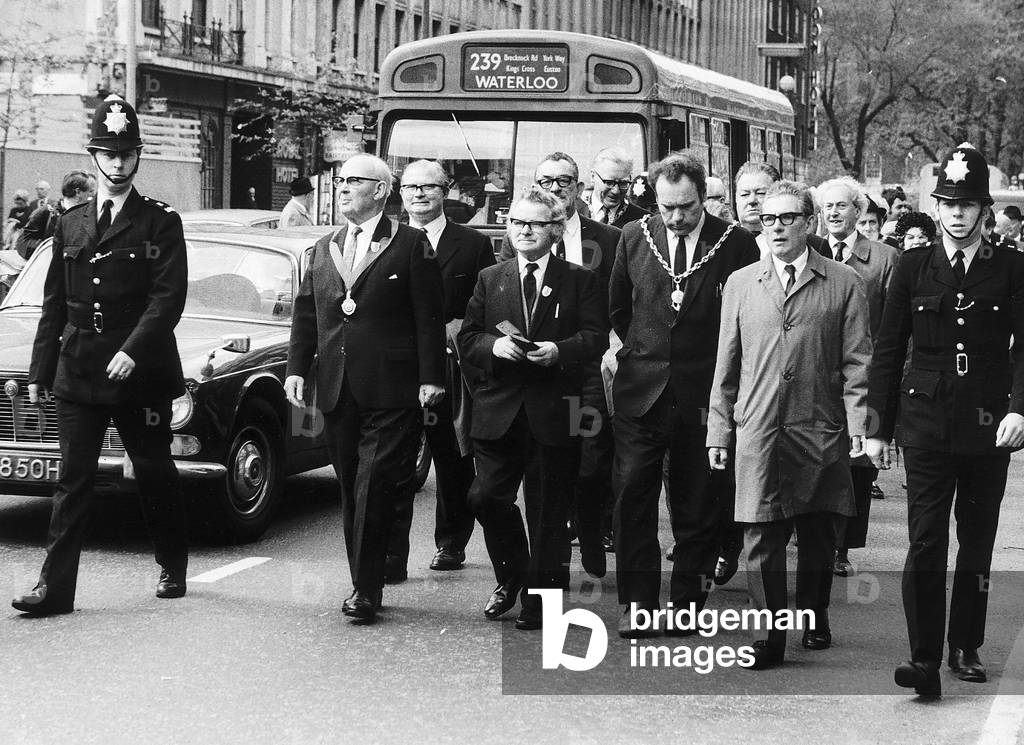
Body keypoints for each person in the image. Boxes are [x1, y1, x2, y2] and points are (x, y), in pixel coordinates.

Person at [11, 94, 190, 616]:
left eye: (126, 154)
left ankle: (172, 562)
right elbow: (53, 306)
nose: (117, 163)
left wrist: (133, 351)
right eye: (107, 154)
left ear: (138, 157)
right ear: (93, 157)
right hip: (80, 367)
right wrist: (41, 373)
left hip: (141, 370)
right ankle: (55, 588)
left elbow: (166, 300)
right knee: (73, 478)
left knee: (153, 468)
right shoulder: (69, 223)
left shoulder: (160, 222)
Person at [866, 144, 1024, 696]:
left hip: (988, 425)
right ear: (936, 209)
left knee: (977, 542)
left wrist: (1019, 408)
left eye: (968, 204)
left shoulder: (1010, 267)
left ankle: (967, 644)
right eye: (948, 204)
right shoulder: (912, 266)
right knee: (926, 541)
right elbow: (889, 348)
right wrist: (877, 427)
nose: (957, 213)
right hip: (926, 421)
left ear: (984, 210)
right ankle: (924, 656)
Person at [707, 180, 872, 669]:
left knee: (819, 530)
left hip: (818, 425)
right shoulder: (741, 282)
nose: (775, 227)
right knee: (760, 531)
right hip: (757, 428)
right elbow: (726, 366)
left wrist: (859, 424)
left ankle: (815, 612)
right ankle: (767, 633)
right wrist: (719, 430)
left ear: (809, 222)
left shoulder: (843, 282)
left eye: (786, 218)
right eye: (767, 219)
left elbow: (858, 362)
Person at [284, 154, 446, 625]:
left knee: (374, 484)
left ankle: (365, 588)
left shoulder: (410, 244)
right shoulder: (325, 245)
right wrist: (298, 368)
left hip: (392, 387)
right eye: (341, 180)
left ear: (380, 189)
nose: (343, 187)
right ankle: (366, 574)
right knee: (352, 486)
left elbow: (428, 317)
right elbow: (307, 313)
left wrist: (431, 377)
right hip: (337, 386)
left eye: (354, 180)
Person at [609, 150, 759, 637]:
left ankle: (687, 604)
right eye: (667, 207)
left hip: (705, 396)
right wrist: (636, 352)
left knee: (697, 504)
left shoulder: (735, 244)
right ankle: (638, 604)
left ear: (703, 199)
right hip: (641, 394)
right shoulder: (634, 236)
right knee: (633, 498)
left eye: (688, 208)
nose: (676, 217)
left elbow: (745, 319)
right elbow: (617, 308)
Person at [459, 186, 608, 630]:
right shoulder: (492, 277)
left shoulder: (580, 279)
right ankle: (515, 574)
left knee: (547, 513)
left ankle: (539, 602)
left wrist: (559, 350)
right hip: (498, 412)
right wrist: (494, 345)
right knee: (484, 497)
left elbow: (596, 337)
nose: (524, 230)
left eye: (535, 224)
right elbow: (468, 337)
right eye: (517, 222)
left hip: (553, 412)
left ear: (556, 230)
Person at [499, 152, 622, 575]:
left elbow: (617, 304)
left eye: (564, 180)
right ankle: (556, 561)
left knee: (590, 465)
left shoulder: (606, 237)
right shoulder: (520, 234)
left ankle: (589, 529)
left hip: (591, 371)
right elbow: (507, 293)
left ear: (579, 186)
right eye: (546, 180)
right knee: (551, 474)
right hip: (541, 376)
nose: (555, 187)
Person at [386, 160, 495, 579]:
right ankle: (393, 554)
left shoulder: (472, 245)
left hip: (451, 367)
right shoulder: (388, 241)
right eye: (410, 187)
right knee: (396, 464)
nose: (418, 194)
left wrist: (455, 331)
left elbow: (481, 307)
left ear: (445, 190)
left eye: (428, 187)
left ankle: (451, 543)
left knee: (452, 457)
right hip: (399, 367)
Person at [814, 177, 899, 578]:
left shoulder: (883, 259)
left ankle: (841, 547)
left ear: (858, 211)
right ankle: (817, 538)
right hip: (816, 374)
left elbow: (895, 325)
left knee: (856, 465)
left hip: (864, 373)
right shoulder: (809, 250)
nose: (833, 213)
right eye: (827, 206)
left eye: (842, 206)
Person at [17, 170, 96, 259]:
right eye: (91, 191)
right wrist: (53, 249)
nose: (94, 195)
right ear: (77, 193)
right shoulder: (45, 212)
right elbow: (22, 244)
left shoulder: (89, 213)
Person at [588, 147, 648, 228]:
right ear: (593, 176)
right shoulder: (572, 213)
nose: (616, 191)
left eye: (623, 183)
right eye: (609, 182)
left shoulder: (644, 221)